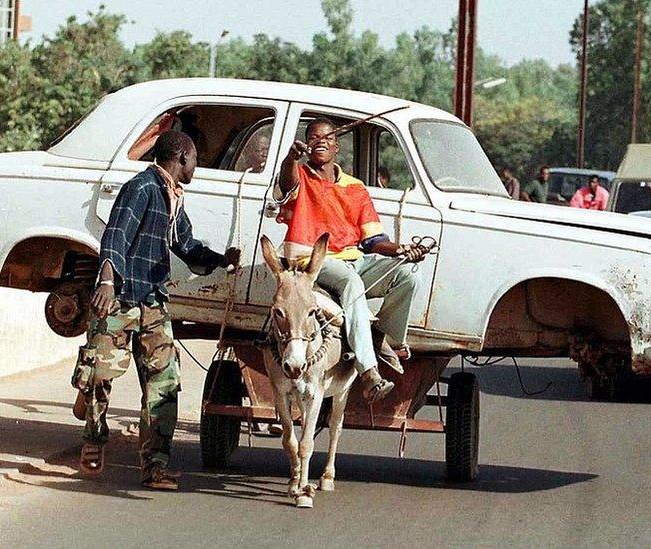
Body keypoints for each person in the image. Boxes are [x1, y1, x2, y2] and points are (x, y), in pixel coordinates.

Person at [72, 130, 238, 490]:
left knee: (164, 385)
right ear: (181, 157)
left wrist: (221, 260)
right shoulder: (142, 188)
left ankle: (155, 466)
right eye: (194, 160)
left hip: (154, 301)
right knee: (101, 375)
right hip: (121, 298)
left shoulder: (173, 196)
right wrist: (105, 282)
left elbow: (186, 244)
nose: (197, 166)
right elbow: (115, 235)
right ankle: (93, 440)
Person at [276, 117, 428, 403]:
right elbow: (286, 183)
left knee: (409, 274)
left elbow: (373, 241)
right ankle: (369, 372)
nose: (320, 141)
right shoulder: (300, 174)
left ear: (336, 147)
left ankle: (384, 337)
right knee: (351, 283)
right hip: (313, 260)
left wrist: (401, 250)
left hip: (354, 259)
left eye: (327, 138)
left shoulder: (355, 187)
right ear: (306, 145)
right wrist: (290, 158)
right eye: (313, 138)